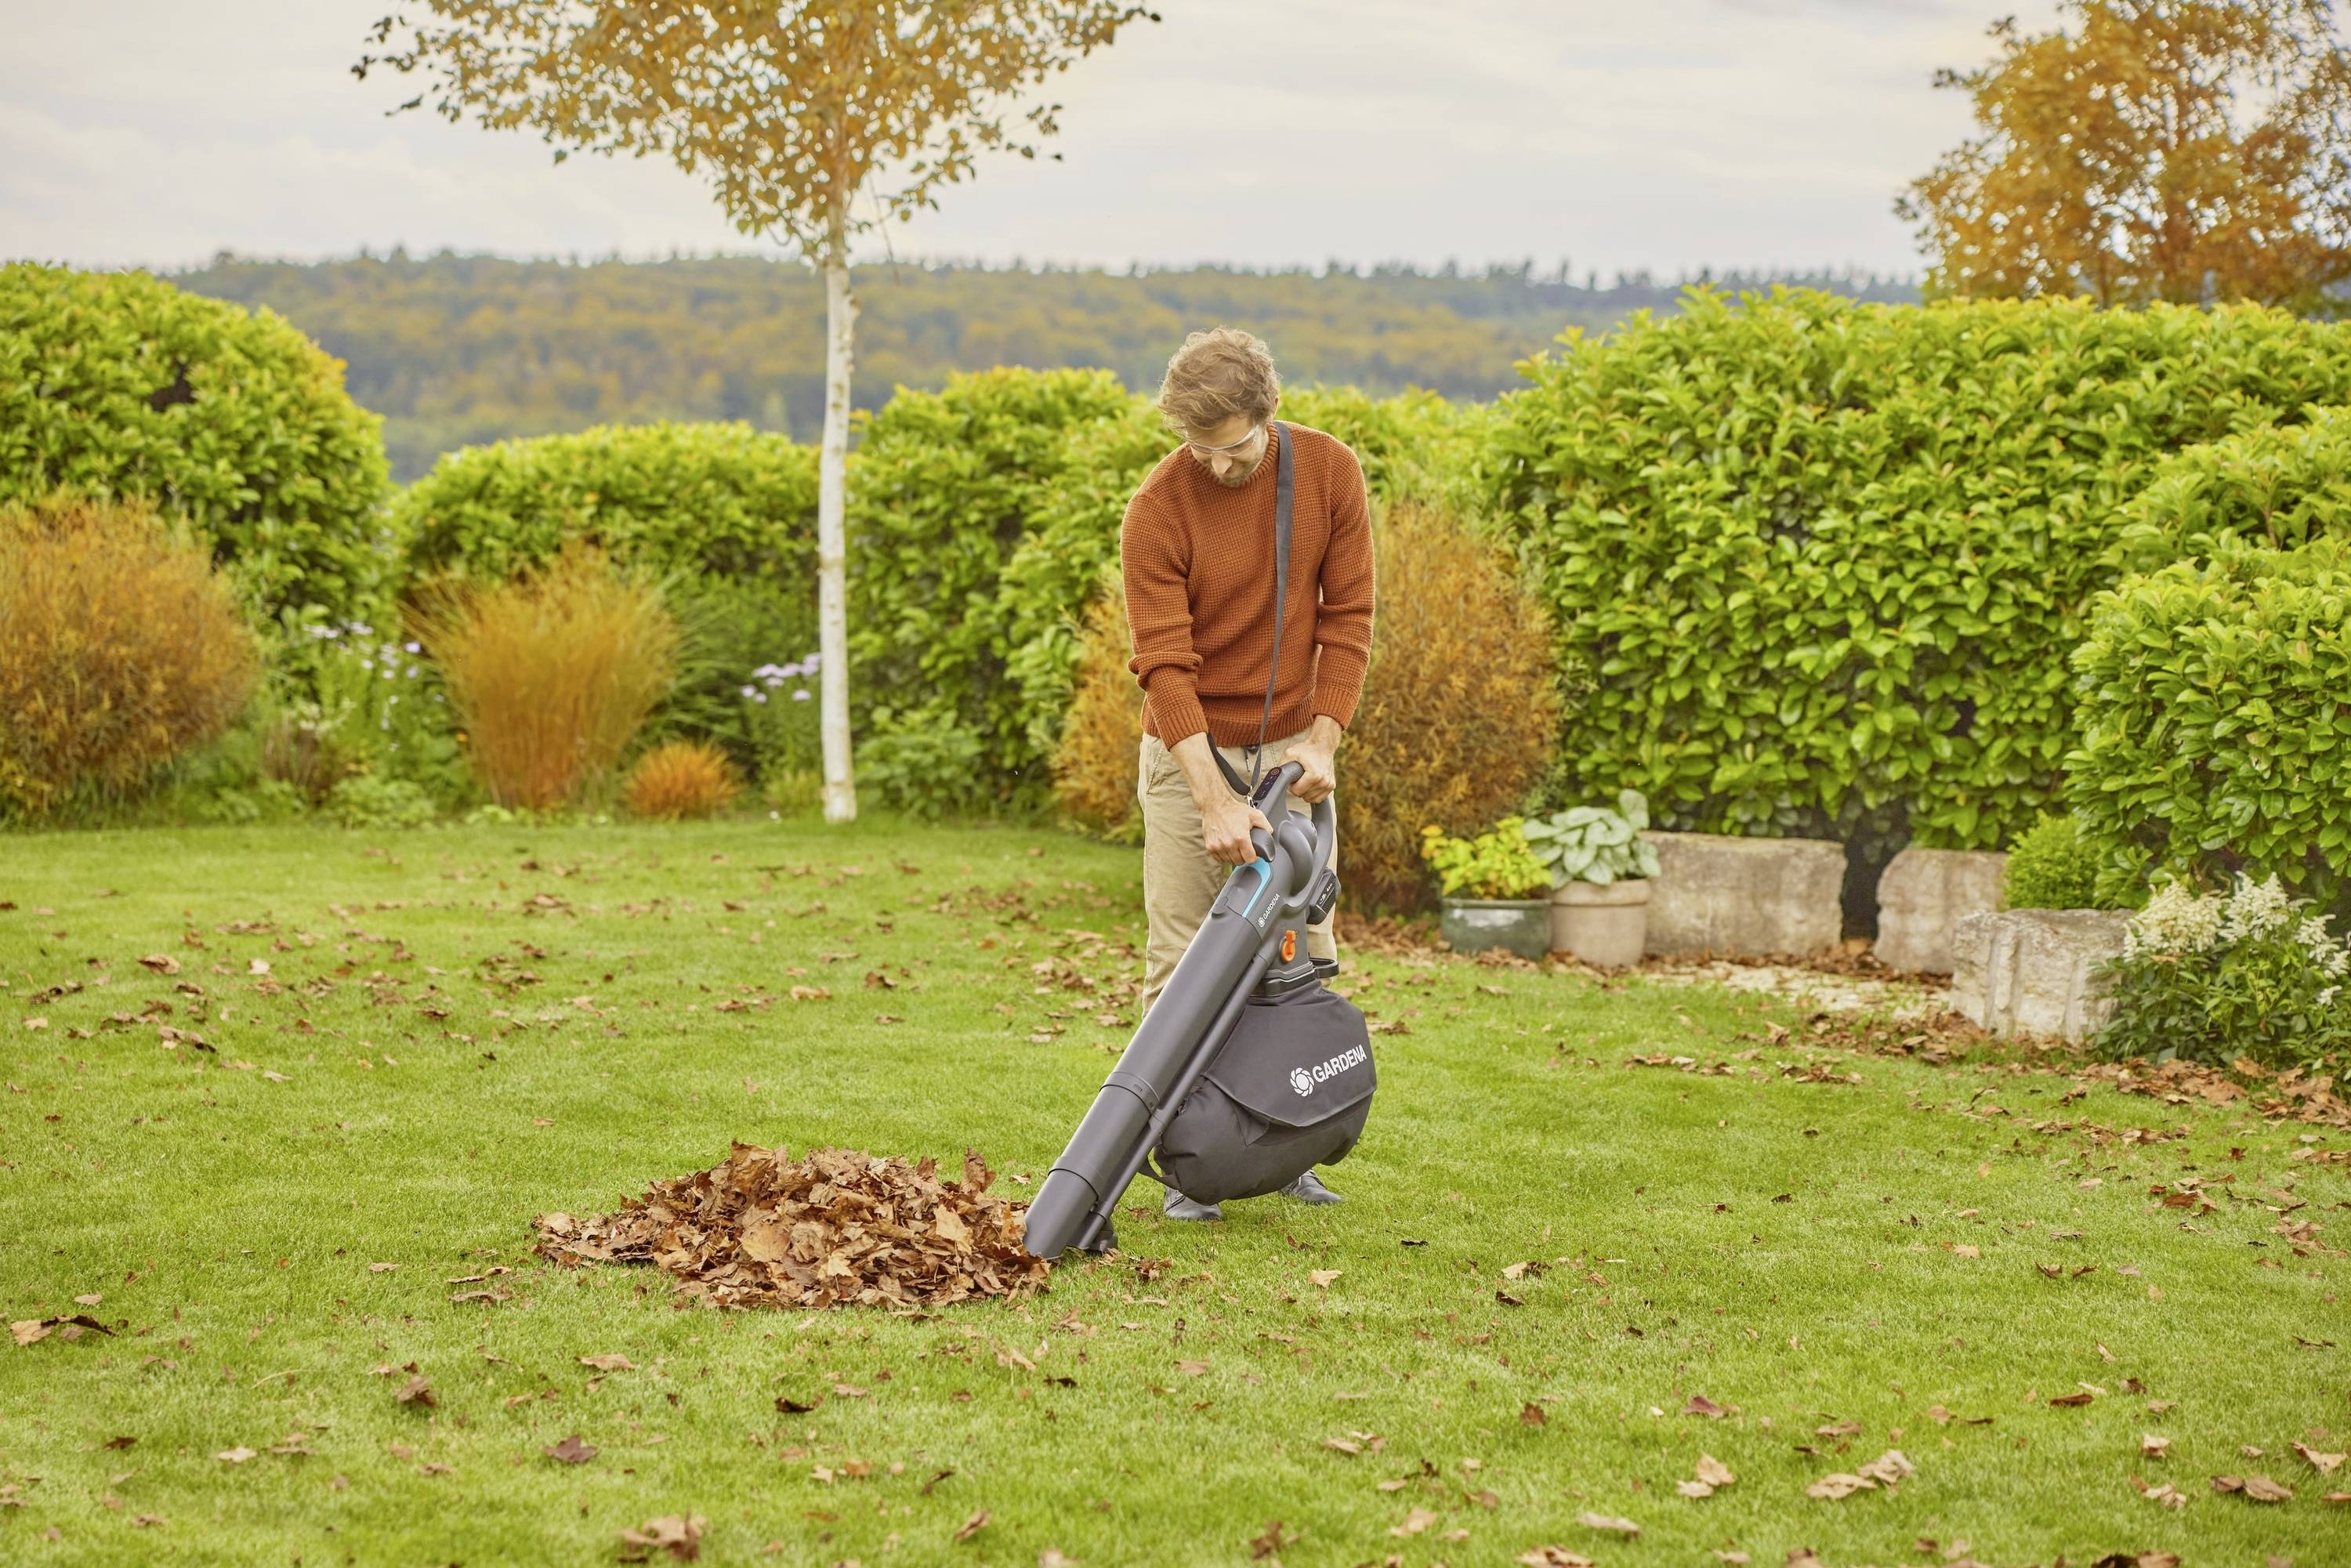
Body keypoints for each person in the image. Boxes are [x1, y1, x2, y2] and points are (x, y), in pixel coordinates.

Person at [1119, 327, 1376, 1222]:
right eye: (1199, 448)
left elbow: (1346, 617)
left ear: (1267, 417)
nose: (1216, 465)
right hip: (1190, 747)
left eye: (1232, 447)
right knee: (1185, 961)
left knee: (1297, 955)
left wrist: (1324, 742)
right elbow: (1162, 663)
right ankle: (1190, 1162)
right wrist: (1212, 795)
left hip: (1292, 752)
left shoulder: (1330, 474)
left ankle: (1293, 1140)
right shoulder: (1159, 505)